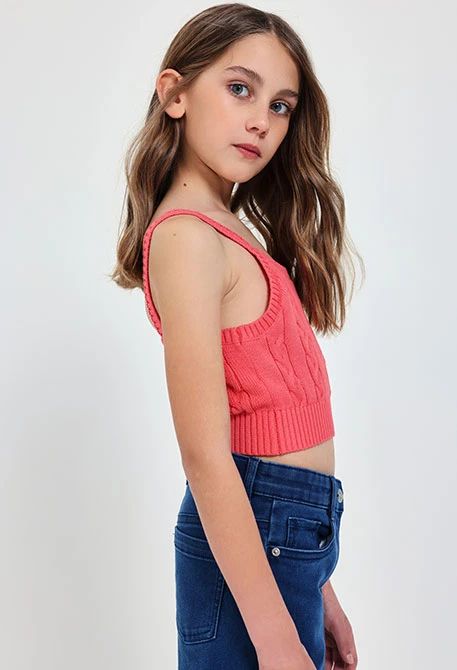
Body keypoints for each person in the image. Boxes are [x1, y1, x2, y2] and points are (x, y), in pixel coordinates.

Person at [111, 3, 364, 668]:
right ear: (174, 94)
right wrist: (276, 637)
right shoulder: (186, 239)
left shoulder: (226, 230)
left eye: (280, 106)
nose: (261, 121)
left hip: (282, 542)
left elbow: (267, 431)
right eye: (239, 89)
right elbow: (207, 457)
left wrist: (319, 588)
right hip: (255, 543)